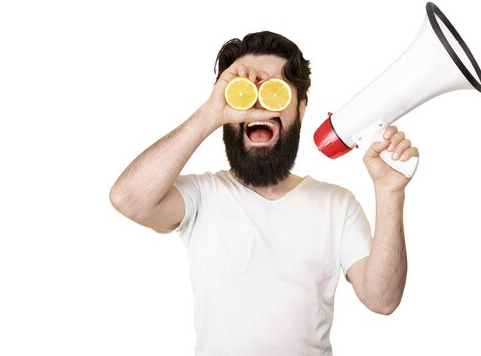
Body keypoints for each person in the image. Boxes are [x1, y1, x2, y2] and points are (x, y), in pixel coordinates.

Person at [109, 31, 419, 356]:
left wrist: (390, 193)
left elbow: (382, 299)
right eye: (244, 93)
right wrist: (210, 114)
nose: (257, 105)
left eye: (274, 92)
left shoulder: (337, 205)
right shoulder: (202, 196)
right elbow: (128, 199)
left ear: (300, 109)